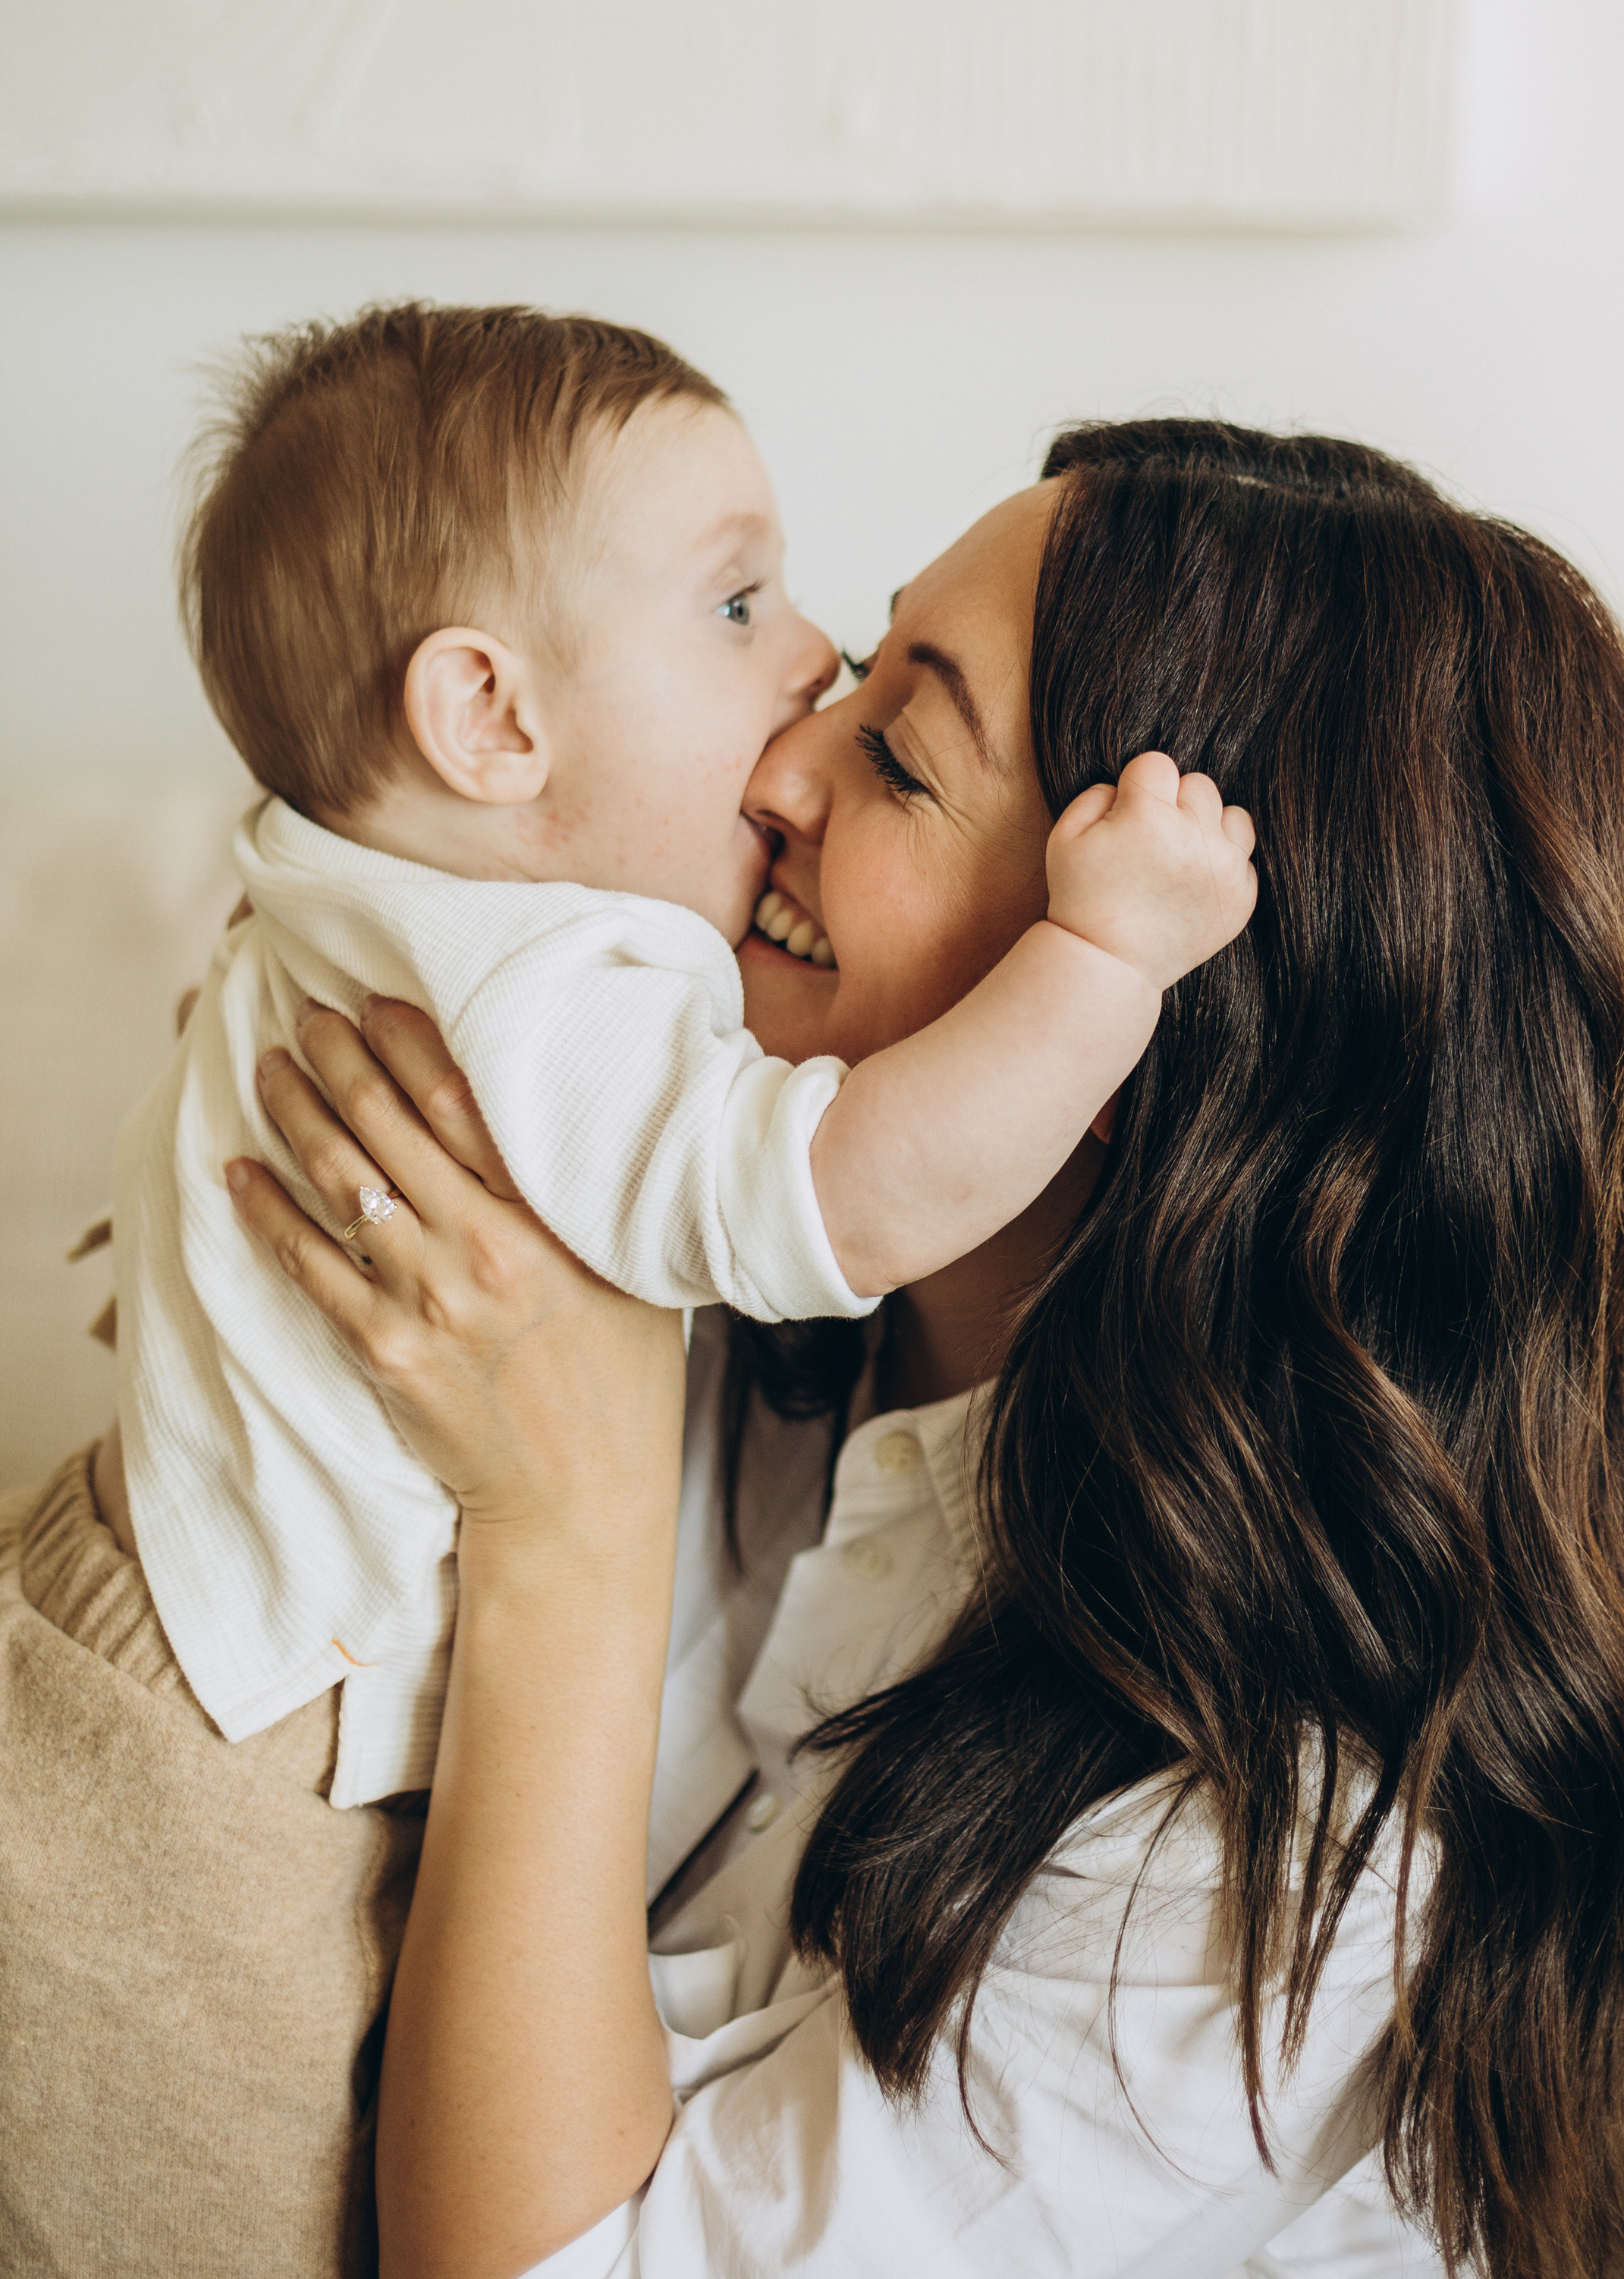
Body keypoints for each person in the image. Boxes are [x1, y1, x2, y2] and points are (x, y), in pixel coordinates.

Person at [234, 420, 1624, 2279]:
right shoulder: (720, 1272)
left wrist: (568, 1542)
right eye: (846, 674)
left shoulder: (1279, 1838)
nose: (771, 771)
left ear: (1155, 1010)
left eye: (895, 753)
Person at [114, 300, 1252, 1808]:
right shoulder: (553, 987)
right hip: (240, 1744)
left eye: (892, 740)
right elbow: (832, 1196)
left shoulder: (343, 913)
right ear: (488, 716)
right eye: (735, 605)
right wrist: (1102, 963)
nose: (804, 666)